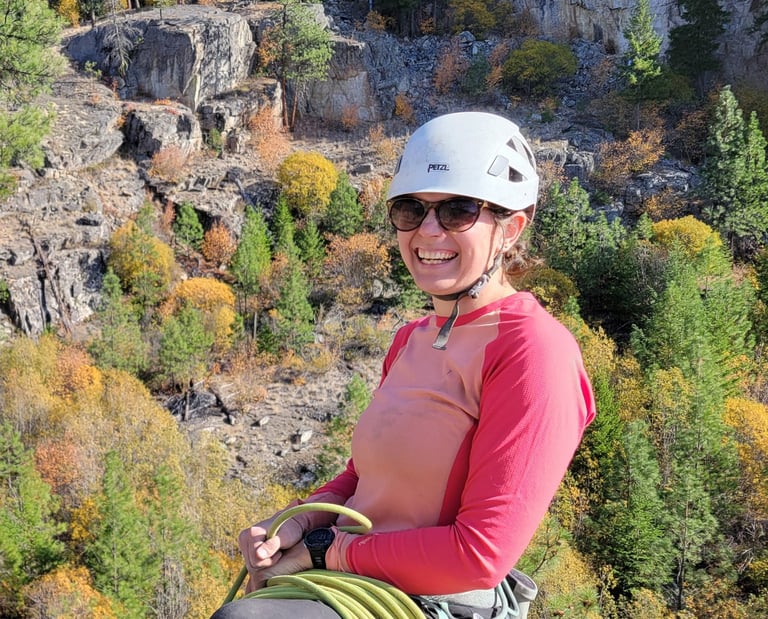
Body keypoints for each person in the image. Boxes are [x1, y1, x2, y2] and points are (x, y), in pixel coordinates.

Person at [210, 111, 596, 619]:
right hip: (358, 577)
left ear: (510, 228)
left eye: (458, 211)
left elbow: (479, 556)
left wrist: (329, 551)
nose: (428, 230)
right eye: (410, 209)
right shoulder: (412, 339)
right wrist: (300, 522)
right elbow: (363, 478)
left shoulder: (533, 351)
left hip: (442, 600)